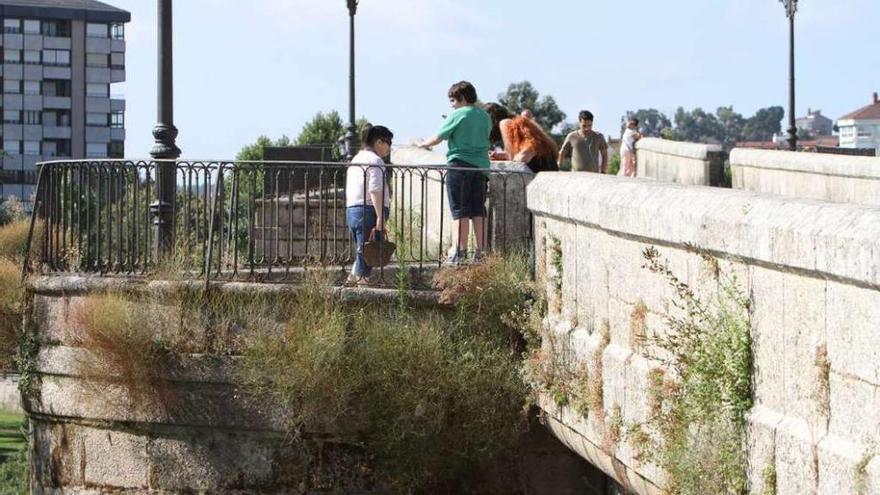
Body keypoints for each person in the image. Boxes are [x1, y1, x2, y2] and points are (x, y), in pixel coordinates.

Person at [418, 81, 492, 264]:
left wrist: (422, 144)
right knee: (478, 210)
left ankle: (459, 251)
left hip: (459, 165)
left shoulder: (457, 114)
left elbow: (438, 137)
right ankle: (481, 252)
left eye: (453, 100)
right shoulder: (485, 116)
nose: (451, 104)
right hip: (481, 167)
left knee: (460, 211)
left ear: (462, 98)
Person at [346, 125, 393, 284]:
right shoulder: (375, 160)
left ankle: (353, 279)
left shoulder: (356, 158)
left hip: (353, 209)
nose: (389, 147)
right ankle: (361, 283)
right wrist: (380, 216)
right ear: (379, 142)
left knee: (362, 249)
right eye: (388, 142)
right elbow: (374, 189)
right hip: (368, 209)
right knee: (369, 250)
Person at [484, 102, 559, 173]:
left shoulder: (505, 122)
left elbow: (513, 156)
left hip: (538, 171)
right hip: (549, 169)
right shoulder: (519, 123)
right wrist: (500, 155)